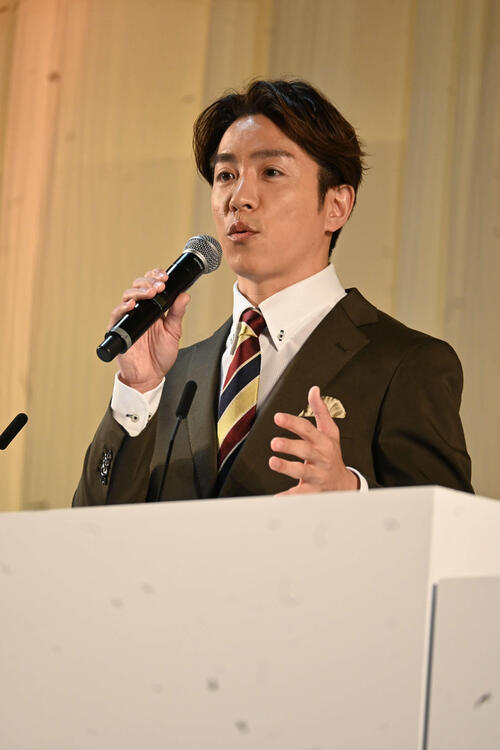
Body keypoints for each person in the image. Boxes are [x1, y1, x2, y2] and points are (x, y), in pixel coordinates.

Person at [73, 79, 472, 506]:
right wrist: (137, 389)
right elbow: (93, 528)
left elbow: (448, 527)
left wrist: (351, 492)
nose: (239, 198)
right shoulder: (173, 373)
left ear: (336, 206)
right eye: (226, 175)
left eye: (271, 172)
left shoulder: (406, 362)